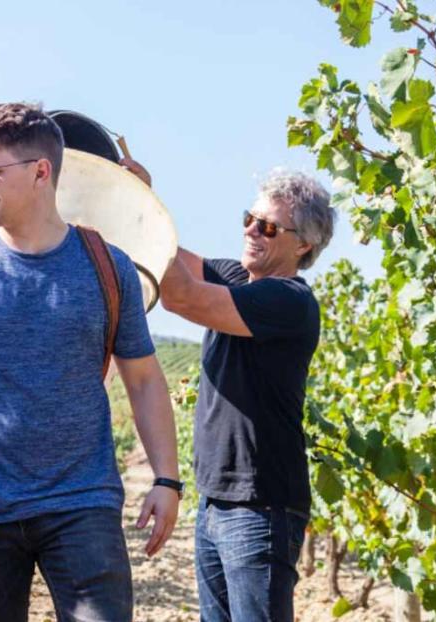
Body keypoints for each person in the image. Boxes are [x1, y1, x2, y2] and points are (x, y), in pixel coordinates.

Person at [0, 102, 182, 621]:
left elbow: (143, 380)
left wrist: (166, 477)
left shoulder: (107, 267)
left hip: (82, 504)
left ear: (41, 172)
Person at [151, 167, 336, 622]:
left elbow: (181, 297)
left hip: (260, 509)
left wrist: (136, 210)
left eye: (268, 226)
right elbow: (163, 256)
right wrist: (139, 196)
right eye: (249, 219)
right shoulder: (237, 276)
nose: (252, 230)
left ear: (303, 245)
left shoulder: (288, 301)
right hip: (215, 502)